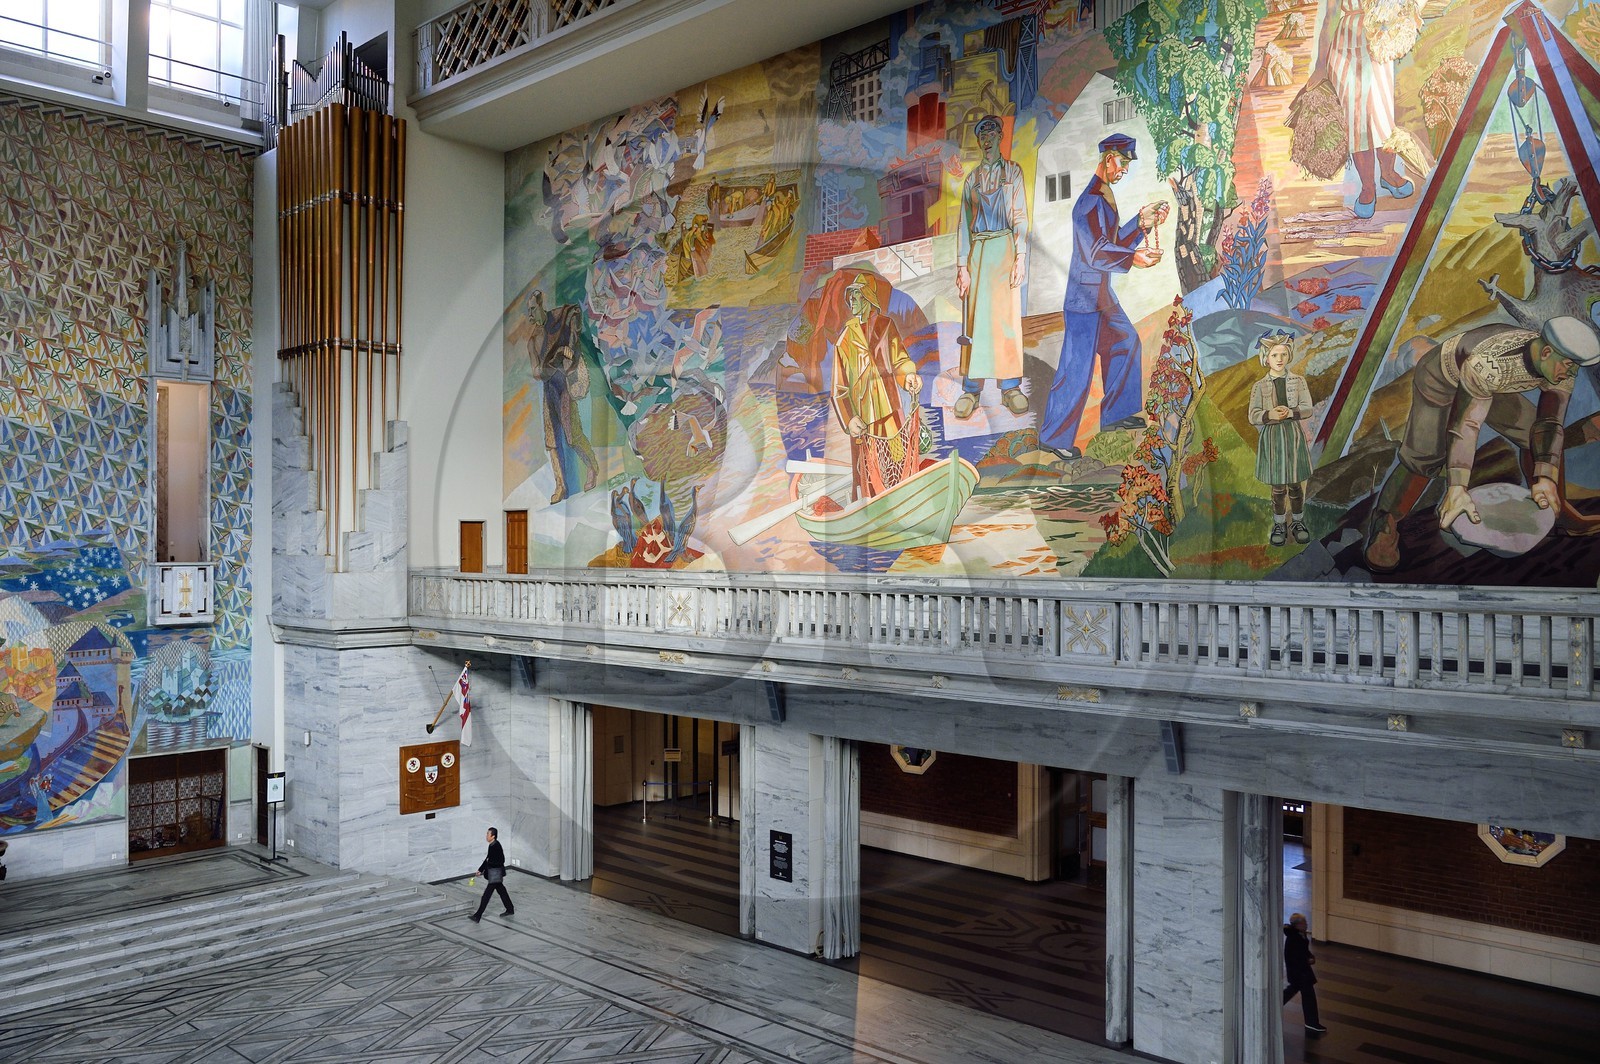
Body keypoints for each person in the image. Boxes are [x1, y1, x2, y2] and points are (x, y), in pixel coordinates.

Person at [1364, 316, 1600, 572]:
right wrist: (1457, 488)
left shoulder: (1560, 366)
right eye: (1569, 365)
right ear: (1546, 352)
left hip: (1490, 386)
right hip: (1441, 380)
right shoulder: (1488, 363)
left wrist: (1546, 478)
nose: (1572, 372)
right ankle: (1385, 522)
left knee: (1533, 435)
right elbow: (1466, 426)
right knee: (1425, 456)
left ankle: (1559, 511)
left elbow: (1549, 424)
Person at [1039, 133, 1168, 460]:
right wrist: (1135, 259)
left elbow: (1111, 241)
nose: (1124, 169)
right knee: (1076, 372)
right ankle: (1054, 438)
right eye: (1123, 162)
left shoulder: (1104, 196)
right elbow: (1097, 253)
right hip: (1083, 301)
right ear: (1108, 157)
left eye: (1126, 164)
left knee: (1125, 342)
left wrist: (1140, 224)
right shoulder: (1089, 202)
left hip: (1100, 295)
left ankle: (1116, 415)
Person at [1305, 0, 1424, 219]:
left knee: (1381, 115)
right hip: (1343, 51)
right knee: (1356, 120)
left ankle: (1387, 174)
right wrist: (1321, 65)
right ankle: (1367, 187)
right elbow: (1331, 15)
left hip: (1378, 42)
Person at [953, 114, 1030, 421]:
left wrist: (1021, 257)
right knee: (974, 324)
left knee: (1006, 321)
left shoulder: (1013, 173)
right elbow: (963, 226)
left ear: (999, 136)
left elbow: (1021, 217)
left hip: (1005, 250)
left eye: (992, 133)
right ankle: (971, 390)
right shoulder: (971, 180)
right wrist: (962, 267)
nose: (987, 139)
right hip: (978, 252)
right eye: (982, 135)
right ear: (979, 140)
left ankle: (1010, 388)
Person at [832, 275, 922, 500]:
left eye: (856, 294)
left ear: (867, 297)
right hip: (862, 420)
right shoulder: (844, 339)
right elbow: (839, 387)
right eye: (850, 295)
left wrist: (909, 374)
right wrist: (849, 418)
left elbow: (900, 359)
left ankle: (905, 502)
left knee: (899, 458)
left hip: (890, 409)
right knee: (867, 472)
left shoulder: (885, 325)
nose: (851, 300)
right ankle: (872, 512)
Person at [1247, 330, 1314, 546]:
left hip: (1292, 436)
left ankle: (1298, 521)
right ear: (1265, 358)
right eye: (1274, 355)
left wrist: (1292, 412)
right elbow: (1253, 415)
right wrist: (1270, 415)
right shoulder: (1259, 386)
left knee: (1295, 483)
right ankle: (1279, 524)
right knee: (1278, 486)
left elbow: (1307, 408)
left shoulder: (1299, 381)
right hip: (1272, 438)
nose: (1279, 360)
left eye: (1283, 355)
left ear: (1289, 356)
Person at [1283, 912, 1326, 1035]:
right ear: (1298, 925)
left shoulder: (1299, 935)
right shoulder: (1295, 938)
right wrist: (1308, 960)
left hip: (1299, 974)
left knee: (1291, 992)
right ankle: (1312, 1023)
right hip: (1301, 974)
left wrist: (1309, 956)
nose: (1307, 924)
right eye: (1304, 923)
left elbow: (1303, 951)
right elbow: (1296, 957)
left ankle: (1272, 1007)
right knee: (1309, 998)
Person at [470, 826, 513, 922]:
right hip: (494, 874)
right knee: (502, 891)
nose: (486, 836)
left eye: (488, 834)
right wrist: (480, 870)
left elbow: (501, 860)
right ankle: (510, 909)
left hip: (495, 874)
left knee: (486, 895)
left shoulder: (496, 846)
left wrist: (489, 863)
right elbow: (487, 859)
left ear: (493, 836)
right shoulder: (492, 845)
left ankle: (478, 915)